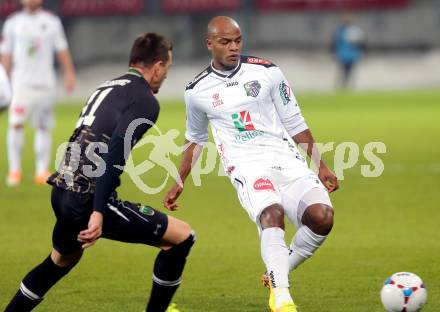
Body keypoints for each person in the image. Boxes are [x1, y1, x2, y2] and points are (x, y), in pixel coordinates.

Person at [4, 33, 194, 312]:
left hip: (62, 188)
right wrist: (98, 210)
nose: (165, 76)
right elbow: (115, 154)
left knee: (61, 260)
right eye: (166, 68)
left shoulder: (107, 86)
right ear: (157, 66)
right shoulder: (145, 101)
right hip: (86, 197)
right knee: (183, 237)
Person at [164, 16, 338, 312]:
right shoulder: (197, 91)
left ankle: (276, 273)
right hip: (246, 165)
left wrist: (320, 163)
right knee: (272, 213)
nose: (233, 47)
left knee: (322, 217)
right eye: (225, 42)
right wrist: (180, 180)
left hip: (285, 158)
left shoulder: (268, 72)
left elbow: (293, 120)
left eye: (237, 40)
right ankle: (282, 297)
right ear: (210, 44)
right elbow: (195, 139)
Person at [1, 0, 76, 186]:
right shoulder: (12, 22)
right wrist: (3, 81)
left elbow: (62, 49)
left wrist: (69, 73)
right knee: (16, 124)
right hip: (20, 85)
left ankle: (41, 170)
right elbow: (6, 55)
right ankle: (15, 170)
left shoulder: (51, 22)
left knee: (43, 126)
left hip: (45, 83)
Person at [331, 13, 365, 88]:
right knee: (343, 72)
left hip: (351, 56)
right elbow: (335, 43)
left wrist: (360, 52)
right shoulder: (340, 31)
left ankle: (347, 86)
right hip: (343, 55)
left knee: (349, 72)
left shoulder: (354, 31)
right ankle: (341, 86)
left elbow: (360, 44)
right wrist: (334, 53)